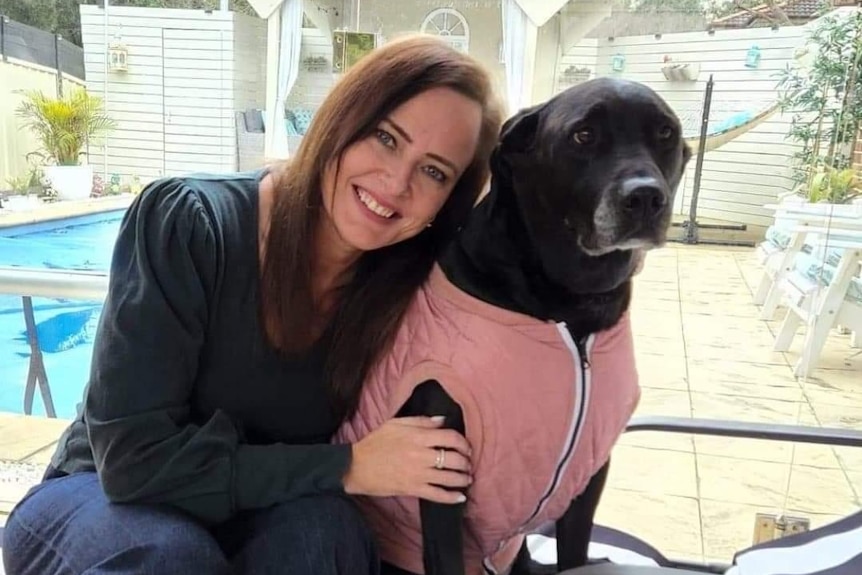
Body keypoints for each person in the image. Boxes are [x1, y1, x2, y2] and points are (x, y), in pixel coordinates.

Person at [2, 34, 504, 575]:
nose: (397, 181)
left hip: (256, 510)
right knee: (174, 558)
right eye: (385, 137)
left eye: (434, 171)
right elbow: (131, 464)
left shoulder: (404, 292)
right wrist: (351, 466)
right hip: (99, 497)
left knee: (327, 535)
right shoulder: (192, 223)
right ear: (342, 120)